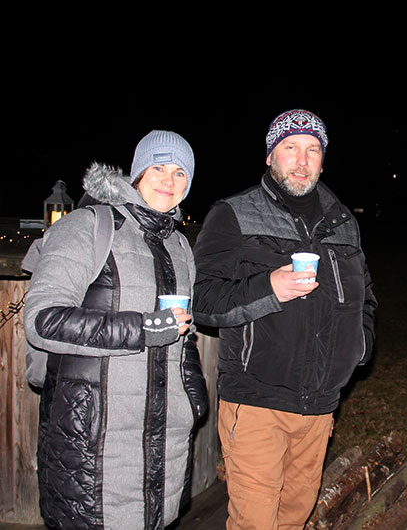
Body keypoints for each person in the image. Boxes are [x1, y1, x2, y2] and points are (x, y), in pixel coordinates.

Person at [192, 109, 377, 529]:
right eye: (290, 147)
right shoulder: (234, 214)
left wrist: (359, 347)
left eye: (312, 149)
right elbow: (202, 299)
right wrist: (268, 288)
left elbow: (365, 296)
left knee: (294, 517)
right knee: (255, 522)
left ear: (323, 160)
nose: (301, 159)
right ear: (270, 157)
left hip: (320, 406)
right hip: (256, 400)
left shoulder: (343, 221)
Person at [24, 130, 208, 528]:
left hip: (164, 439)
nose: (168, 180)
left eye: (180, 173)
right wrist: (141, 329)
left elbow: (181, 331)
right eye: (159, 167)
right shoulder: (88, 226)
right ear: (138, 172)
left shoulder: (179, 245)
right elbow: (42, 321)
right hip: (95, 441)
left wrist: (193, 397)